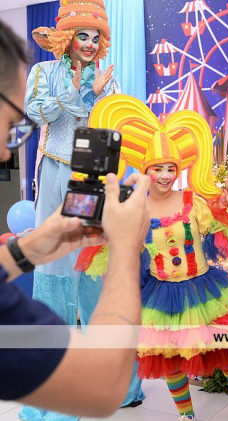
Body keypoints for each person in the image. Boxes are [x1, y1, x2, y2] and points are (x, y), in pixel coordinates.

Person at [81, 93, 228, 421]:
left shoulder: (193, 201)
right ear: (146, 170)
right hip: (161, 295)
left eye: (170, 168)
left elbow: (226, 236)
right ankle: (186, 415)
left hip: (203, 290)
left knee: (225, 351)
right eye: (157, 168)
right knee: (169, 359)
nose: (164, 175)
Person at [0, 18, 151, 416]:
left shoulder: (107, 77)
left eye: (95, 38)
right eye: (82, 36)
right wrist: (80, 92)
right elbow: (37, 113)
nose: (89, 43)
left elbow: (113, 124)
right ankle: (48, 395)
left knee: (95, 264)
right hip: (55, 173)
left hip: (94, 174)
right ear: (67, 38)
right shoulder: (43, 71)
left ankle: (122, 384)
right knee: (54, 270)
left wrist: (98, 95)